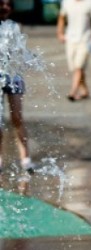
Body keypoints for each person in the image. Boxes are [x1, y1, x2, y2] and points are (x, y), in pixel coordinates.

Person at [0, 0, 31, 171]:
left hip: (12, 76)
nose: (5, 7)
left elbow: (20, 52)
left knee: (17, 117)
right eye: (2, 4)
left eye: (8, 5)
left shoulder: (14, 26)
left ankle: (25, 157)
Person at [56, 0, 91, 102]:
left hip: (85, 39)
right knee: (74, 68)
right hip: (70, 39)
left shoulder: (90, 3)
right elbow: (61, 17)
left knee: (78, 67)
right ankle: (84, 90)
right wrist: (60, 33)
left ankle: (73, 92)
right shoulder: (66, 2)